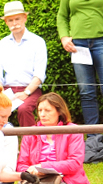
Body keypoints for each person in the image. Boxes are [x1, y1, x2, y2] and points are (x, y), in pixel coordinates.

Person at [57, 0, 103, 162]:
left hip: (101, 42)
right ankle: (93, 138)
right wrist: (64, 37)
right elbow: (62, 16)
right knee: (86, 92)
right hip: (78, 46)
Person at [0, 1, 47, 127]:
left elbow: (39, 74)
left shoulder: (37, 42)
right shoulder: (2, 44)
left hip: (30, 90)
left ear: (25, 18)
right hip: (6, 90)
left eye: (17, 19)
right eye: (10, 20)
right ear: (6, 22)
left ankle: (31, 142)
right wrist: (1, 93)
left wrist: (26, 93)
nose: (14, 23)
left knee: (24, 109)